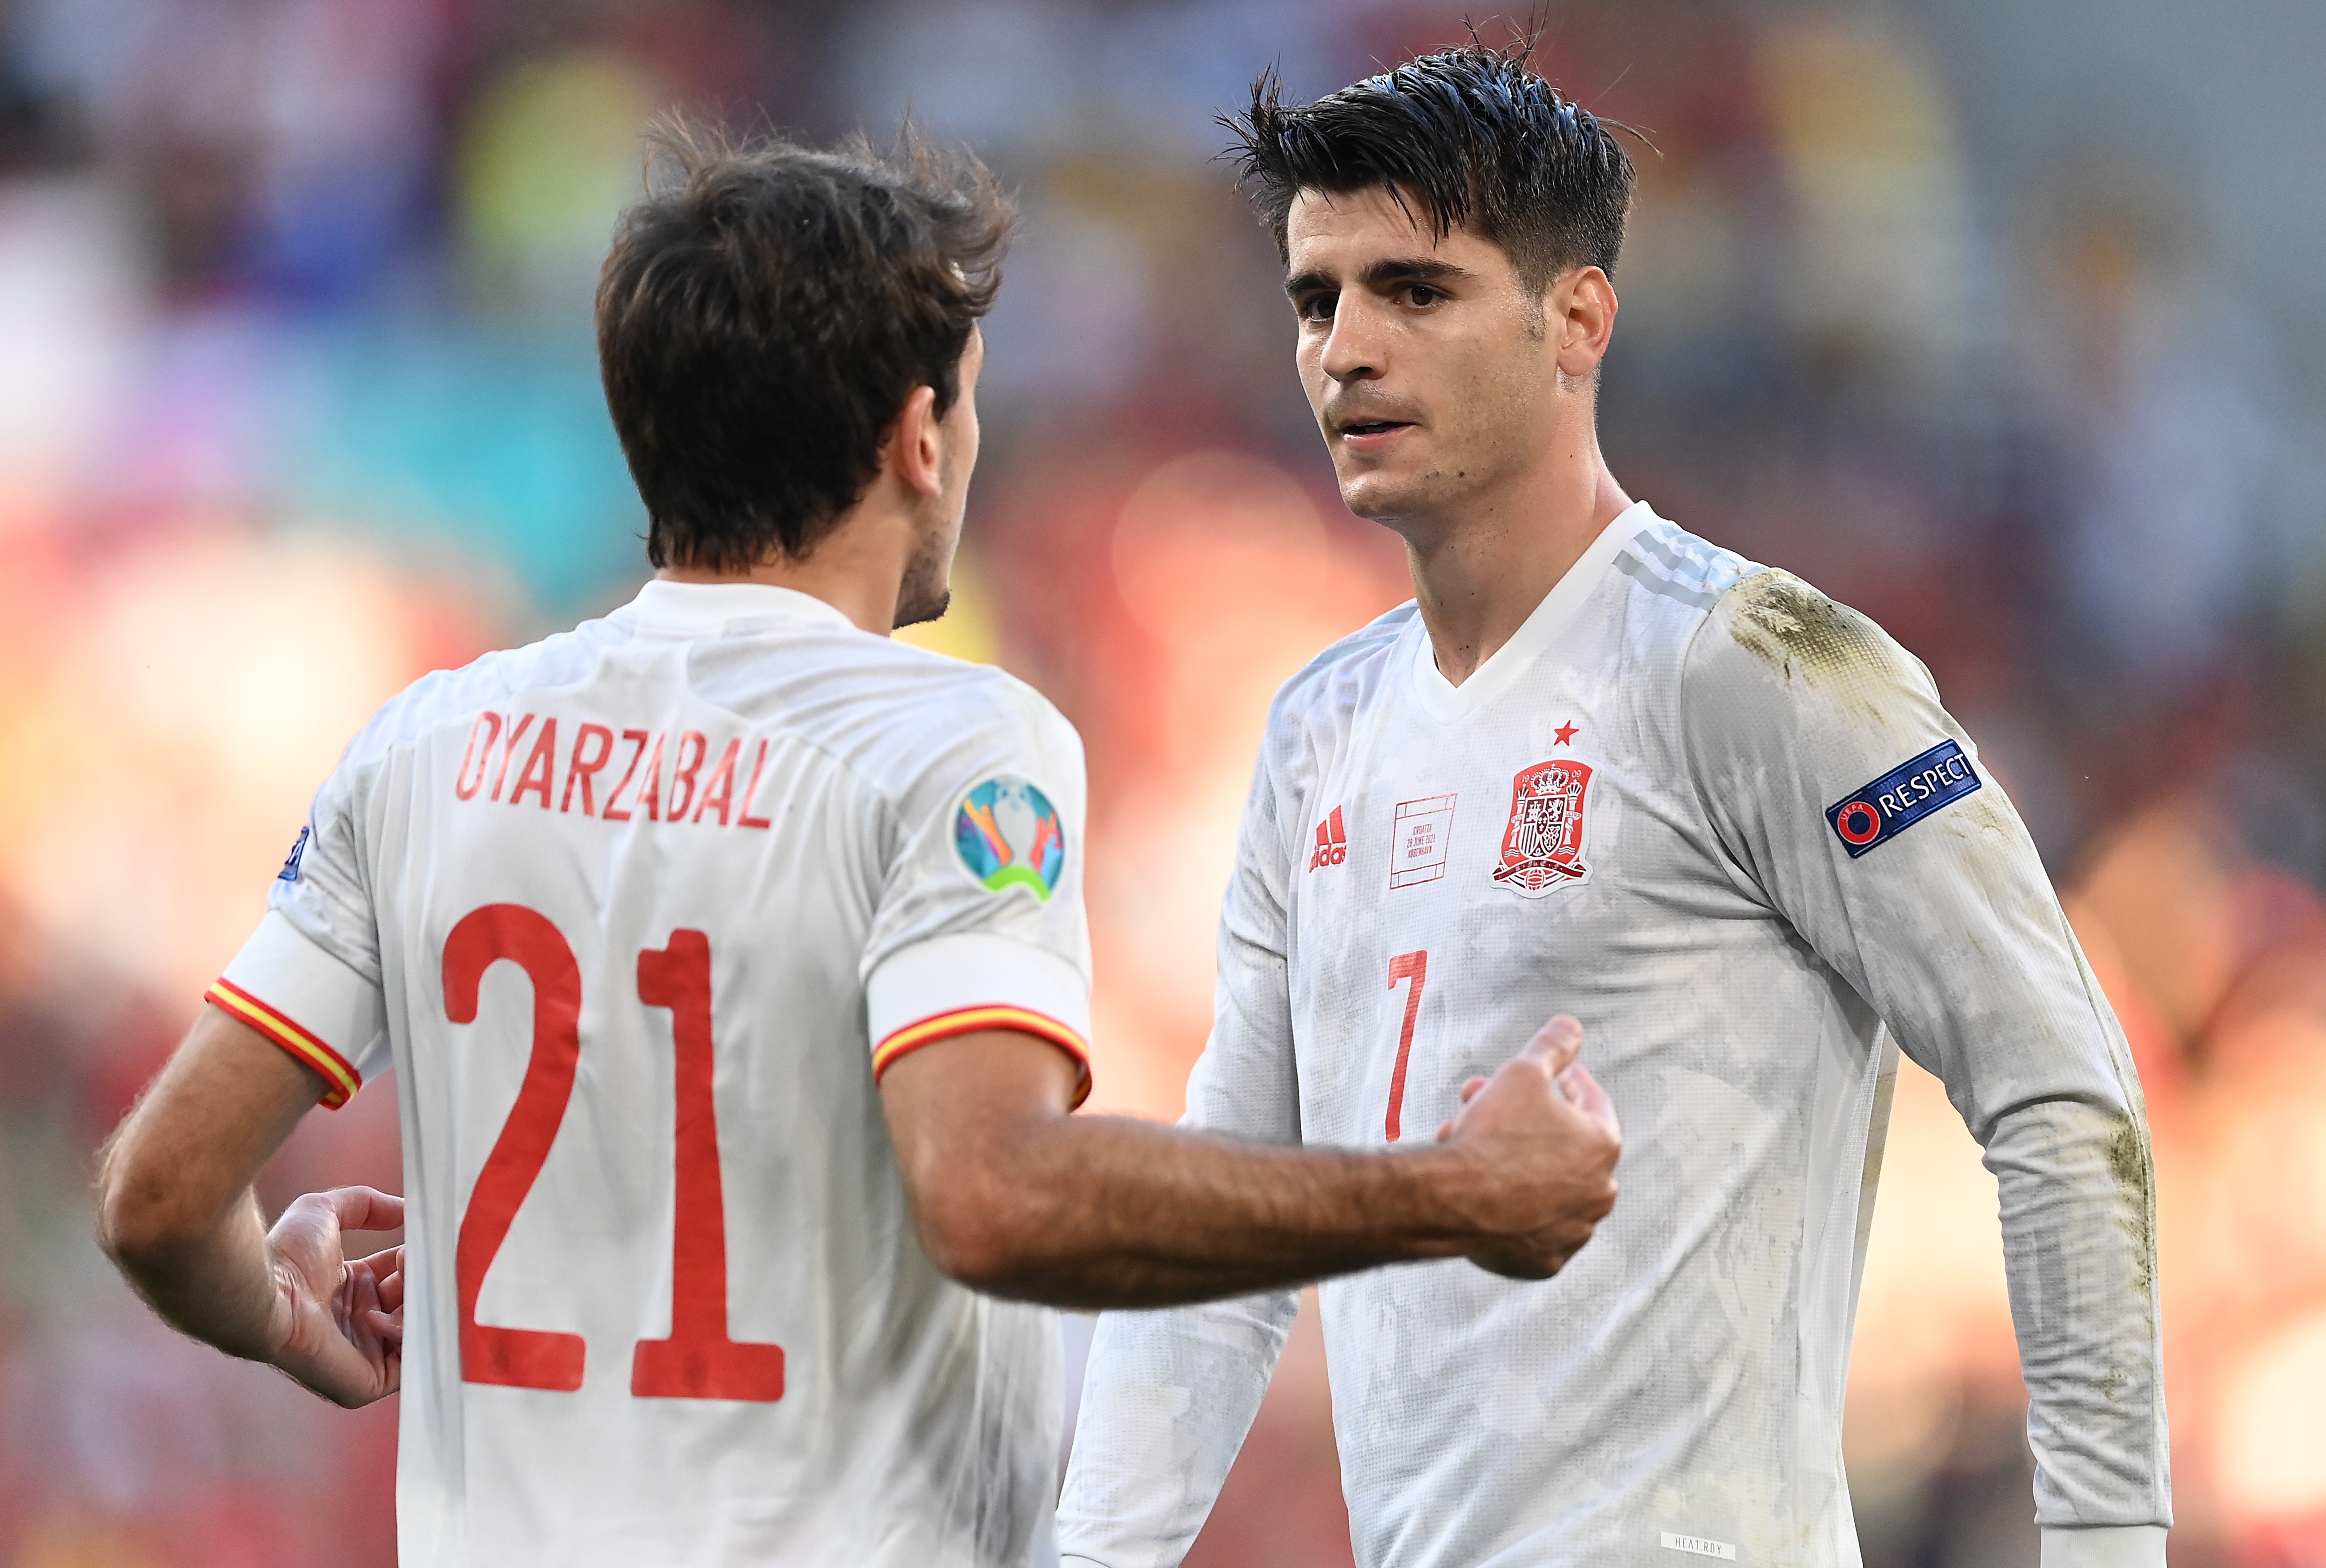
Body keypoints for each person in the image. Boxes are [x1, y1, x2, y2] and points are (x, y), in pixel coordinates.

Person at [92, 121, 1623, 1568]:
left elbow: (159, 1198)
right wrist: (1445, 1191)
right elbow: (992, 1197)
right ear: (917, 438)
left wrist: (287, 1316)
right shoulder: (951, 747)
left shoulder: (429, 741)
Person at [1057, 44, 2169, 1568]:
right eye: (1318, 300)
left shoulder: (1769, 671)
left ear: (1577, 319)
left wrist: (2109, 1542)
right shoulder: (1320, 730)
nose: (1346, 350)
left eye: (1416, 291)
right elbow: (1236, 1229)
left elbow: (2063, 1091)